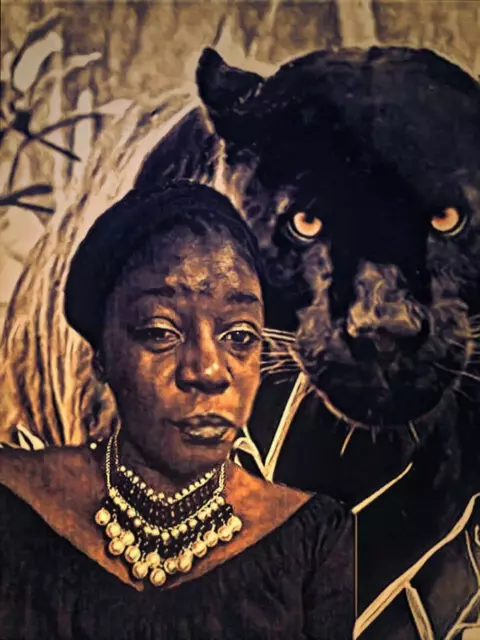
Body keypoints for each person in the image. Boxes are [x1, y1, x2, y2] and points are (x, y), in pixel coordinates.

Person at [0, 181, 354, 640]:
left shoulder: (314, 536)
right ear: (101, 356)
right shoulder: (15, 499)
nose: (208, 371)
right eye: (160, 331)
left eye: (240, 337)